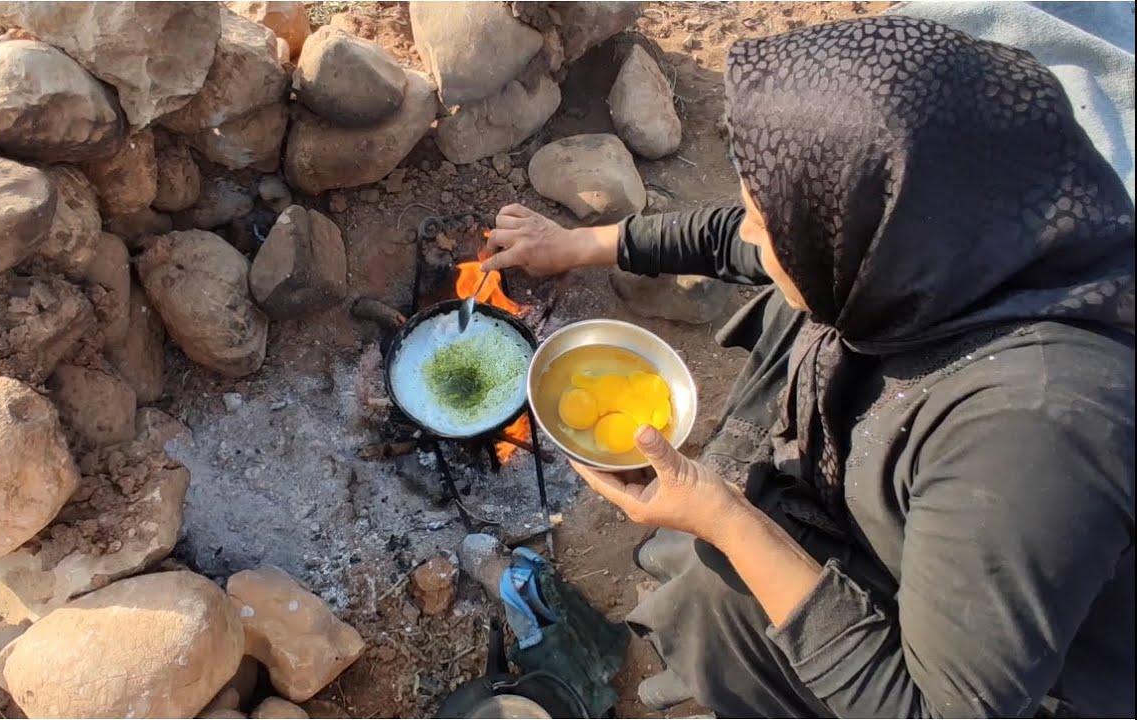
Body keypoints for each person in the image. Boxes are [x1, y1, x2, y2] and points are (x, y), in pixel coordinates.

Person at [482, 16, 1135, 719]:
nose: (755, 235)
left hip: (1021, 680)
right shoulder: (949, 242)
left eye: (772, 224)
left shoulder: (1032, 437)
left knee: (723, 595)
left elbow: (935, 712)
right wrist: (578, 245)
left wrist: (724, 517)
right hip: (919, 530)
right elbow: (742, 235)